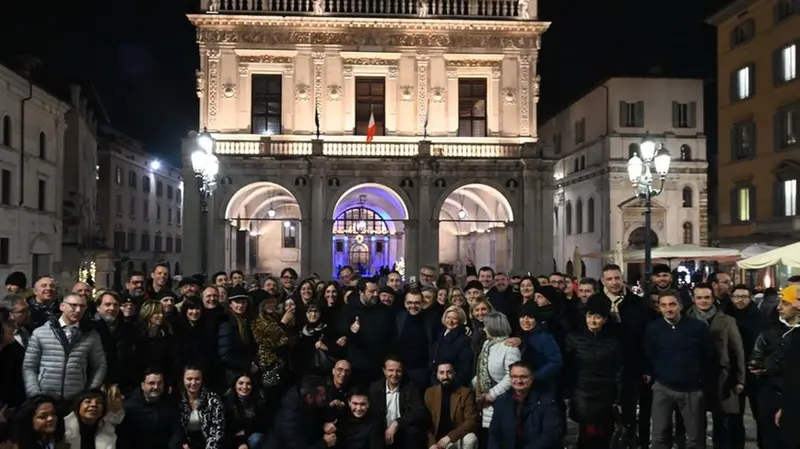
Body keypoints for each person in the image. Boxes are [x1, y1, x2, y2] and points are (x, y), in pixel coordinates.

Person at [645, 289, 714, 449]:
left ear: (680, 306)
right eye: (663, 305)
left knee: (695, 437)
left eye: (672, 304)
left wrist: (701, 382)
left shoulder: (697, 327)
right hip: (662, 387)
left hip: (691, 389)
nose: (668, 309)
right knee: (659, 435)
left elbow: (708, 356)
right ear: (659, 308)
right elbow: (649, 354)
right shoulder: (653, 328)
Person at [22, 294, 107, 406]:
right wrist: (34, 394)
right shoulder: (41, 333)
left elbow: (99, 365)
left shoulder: (91, 335)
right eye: (73, 305)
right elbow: (29, 366)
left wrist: (90, 392)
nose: (78, 310)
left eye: (82, 306)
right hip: (44, 397)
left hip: (76, 399)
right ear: (62, 307)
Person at [487, 362, 563, 449]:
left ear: (531, 378)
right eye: (514, 376)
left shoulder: (547, 402)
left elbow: (551, 434)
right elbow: (494, 433)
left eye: (523, 377)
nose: (519, 381)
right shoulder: (502, 401)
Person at [368, 356, 428, 449]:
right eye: (390, 370)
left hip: (403, 432)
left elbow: (419, 411)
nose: (394, 374)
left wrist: (397, 423)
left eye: (398, 370)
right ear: (384, 371)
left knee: (414, 430)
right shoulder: (375, 388)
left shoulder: (411, 387)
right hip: (381, 432)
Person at [423, 362, 479, 449]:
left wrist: (450, 437)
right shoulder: (429, 393)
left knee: (471, 439)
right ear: (437, 375)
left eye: (449, 372)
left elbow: (471, 421)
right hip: (436, 440)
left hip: (456, 438)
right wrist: (431, 443)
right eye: (441, 373)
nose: (445, 377)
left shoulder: (466, 393)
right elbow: (424, 422)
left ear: (454, 373)